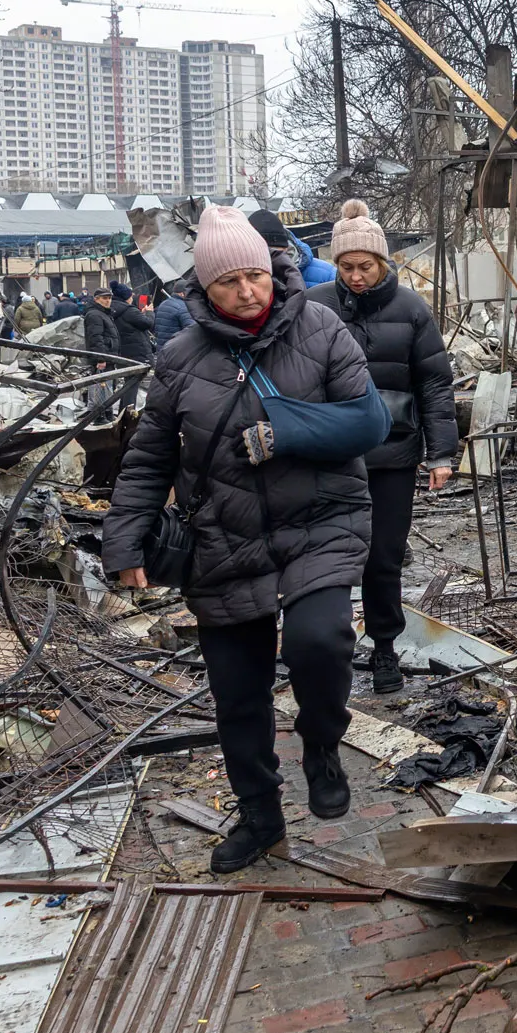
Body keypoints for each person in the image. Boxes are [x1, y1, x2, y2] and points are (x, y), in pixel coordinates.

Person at [99, 206, 381, 873]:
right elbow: (148, 458)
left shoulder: (320, 328)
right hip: (223, 539)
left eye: (255, 275)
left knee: (321, 641)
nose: (247, 291)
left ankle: (321, 743)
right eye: (229, 282)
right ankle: (260, 815)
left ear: (271, 270)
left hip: (319, 523)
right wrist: (124, 540)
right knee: (237, 692)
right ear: (205, 287)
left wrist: (288, 432)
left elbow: (368, 423)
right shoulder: (179, 359)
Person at [307, 200, 457, 694]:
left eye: (365, 266)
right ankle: (328, 648)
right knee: (325, 553)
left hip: (393, 453)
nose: (355, 276)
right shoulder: (315, 307)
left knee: (384, 555)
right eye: (346, 267)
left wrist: (441, 453)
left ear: (382, 262)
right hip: (330, 453)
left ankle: (385, 647)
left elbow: (434, 383)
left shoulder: (411, 309)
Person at [252, 209, 335, 286]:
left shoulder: (327, 276)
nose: (269, 262)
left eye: (275, 254)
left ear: (286, 248)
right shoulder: (247, 284)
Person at [109, 280, 157, 364]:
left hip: (123, 351)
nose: (132, 298)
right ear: (126, 297)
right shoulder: (129, 310)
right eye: (131, 296)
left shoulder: (112, 308)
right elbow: (148, 323)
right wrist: (149, 312)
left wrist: (141, 314)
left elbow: (131, 321)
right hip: (138, 352)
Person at [82, 285, 121, 362]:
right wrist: (100, 359)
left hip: (110, 357)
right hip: (104, 360)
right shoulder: (94, 315)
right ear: (96, 299)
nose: (108, 301)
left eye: (109, 298)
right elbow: (95, 339)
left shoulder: (105, 313)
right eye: (104, 298)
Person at [152, 279, 193, 352]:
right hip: (178, 351)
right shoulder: (183, 307)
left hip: (162, 350)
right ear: (182, 293)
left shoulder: (162, 304)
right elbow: (192, 331)